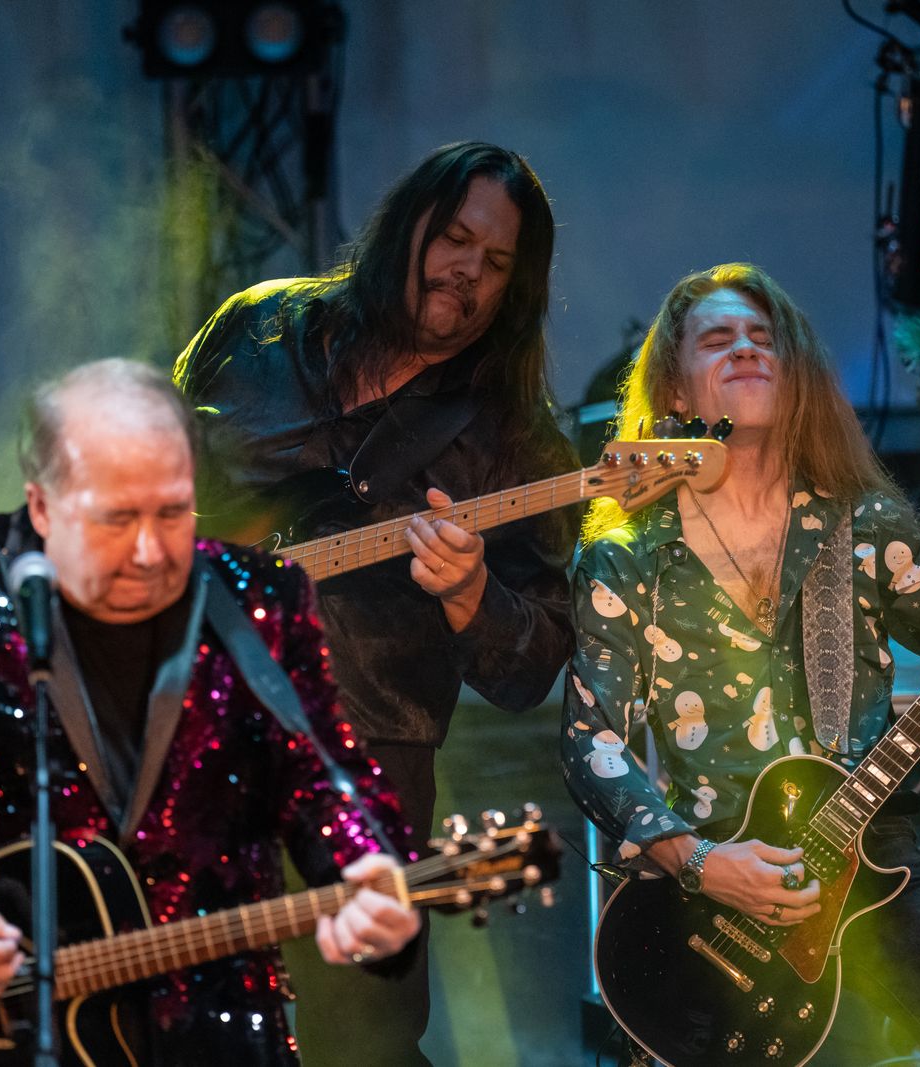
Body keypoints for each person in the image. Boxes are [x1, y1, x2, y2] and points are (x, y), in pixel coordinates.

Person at [0, 359, 420, 1066]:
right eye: (115, 519)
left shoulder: (259, 600)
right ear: (42, 506)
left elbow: (324, 776)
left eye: (173, 513)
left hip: (214, 1038)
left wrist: (368, 865)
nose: (150, 552)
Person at [561, 263, 920, 1067]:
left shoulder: (864, 520)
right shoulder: (628, 554)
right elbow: (592, 741)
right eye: (718, 339)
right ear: (676, 392)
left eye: (765, 338)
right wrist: (699, 862)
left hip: (874, 855)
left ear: (794, 377)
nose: (746, 349)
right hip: (716, 880)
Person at [174, 141, 577, 1065]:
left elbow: (534, 662)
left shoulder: (515, 437)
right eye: (455, 238)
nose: (468, 270)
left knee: (361, 1034)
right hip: (190, 717)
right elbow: (150, 477)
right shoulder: (258, 328)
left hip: (365, 757)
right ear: (408, 225)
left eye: (496, 262)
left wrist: (472, 593)